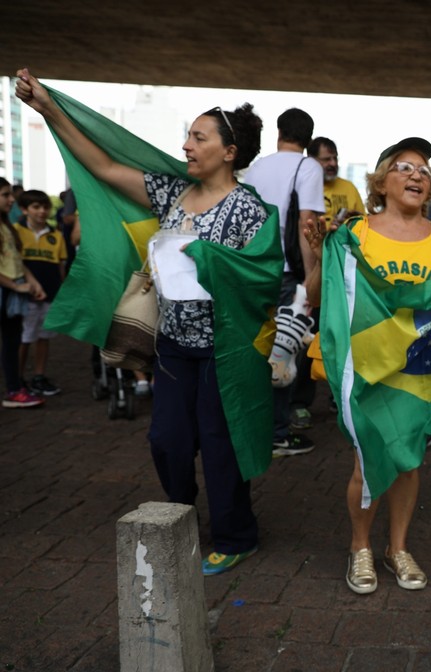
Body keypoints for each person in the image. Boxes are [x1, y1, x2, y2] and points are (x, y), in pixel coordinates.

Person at [16, 68, 274, 572]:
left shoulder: (249, 210)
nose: (186, 145)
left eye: (199, 138)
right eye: (188, 136)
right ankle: (181, 515)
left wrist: (205, 258)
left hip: (224, 351)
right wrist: (48, 107)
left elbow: (262, 280)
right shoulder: (172, 194)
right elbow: (106, 166)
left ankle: (236, 535)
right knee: (168, 440)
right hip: (173, 345)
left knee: (221, 446)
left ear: (230, 151)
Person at [305, 136, 431, 595]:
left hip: (416, 377)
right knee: (366, 462)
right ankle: (360, 547)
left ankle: (397, 548)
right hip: (367, 374)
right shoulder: (355, 234)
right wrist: (317, 258)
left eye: (424, 170)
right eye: (405, 167)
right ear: (381, 181)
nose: (417, 175)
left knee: (409, 462)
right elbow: (318, 298)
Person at [244, 109, 324, 455]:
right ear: (308, 139)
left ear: (279, 132)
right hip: (286, 271)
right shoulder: (308, 168)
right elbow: (308, 223)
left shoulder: (257, 167)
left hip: (250, 269)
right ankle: (277, 432)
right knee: (282, 352)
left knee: (254, 347)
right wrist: (310, 279)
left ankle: (251, 425)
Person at [14, 189, 67, 395]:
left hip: (50, 293)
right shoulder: (16, 231)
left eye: (45, 207)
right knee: (24, 337)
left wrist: (61, 294)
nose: (42, 211)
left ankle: (39, 376)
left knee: (44, 336)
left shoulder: (56, 235)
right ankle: (17, 378)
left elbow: (60, 267)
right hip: (24, 295)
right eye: (36, 207)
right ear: (24, 209)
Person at [0, 177, 46, 409]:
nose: (11, 199)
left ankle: (15, 387)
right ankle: (14, 389)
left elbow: (15, 260)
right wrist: (16, 286)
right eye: (5, 195)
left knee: (12, 341)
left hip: (12, 292)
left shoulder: (6, 225)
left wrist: (31, 281)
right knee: (11, 341)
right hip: (7, 291)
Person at [307, 136, 364, 228]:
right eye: (327, 159)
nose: (333, 163)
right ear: (311, 160)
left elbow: (365, 222)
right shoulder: (305, 187)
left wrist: (355, 220)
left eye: (335, 158)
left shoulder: (349, 187)